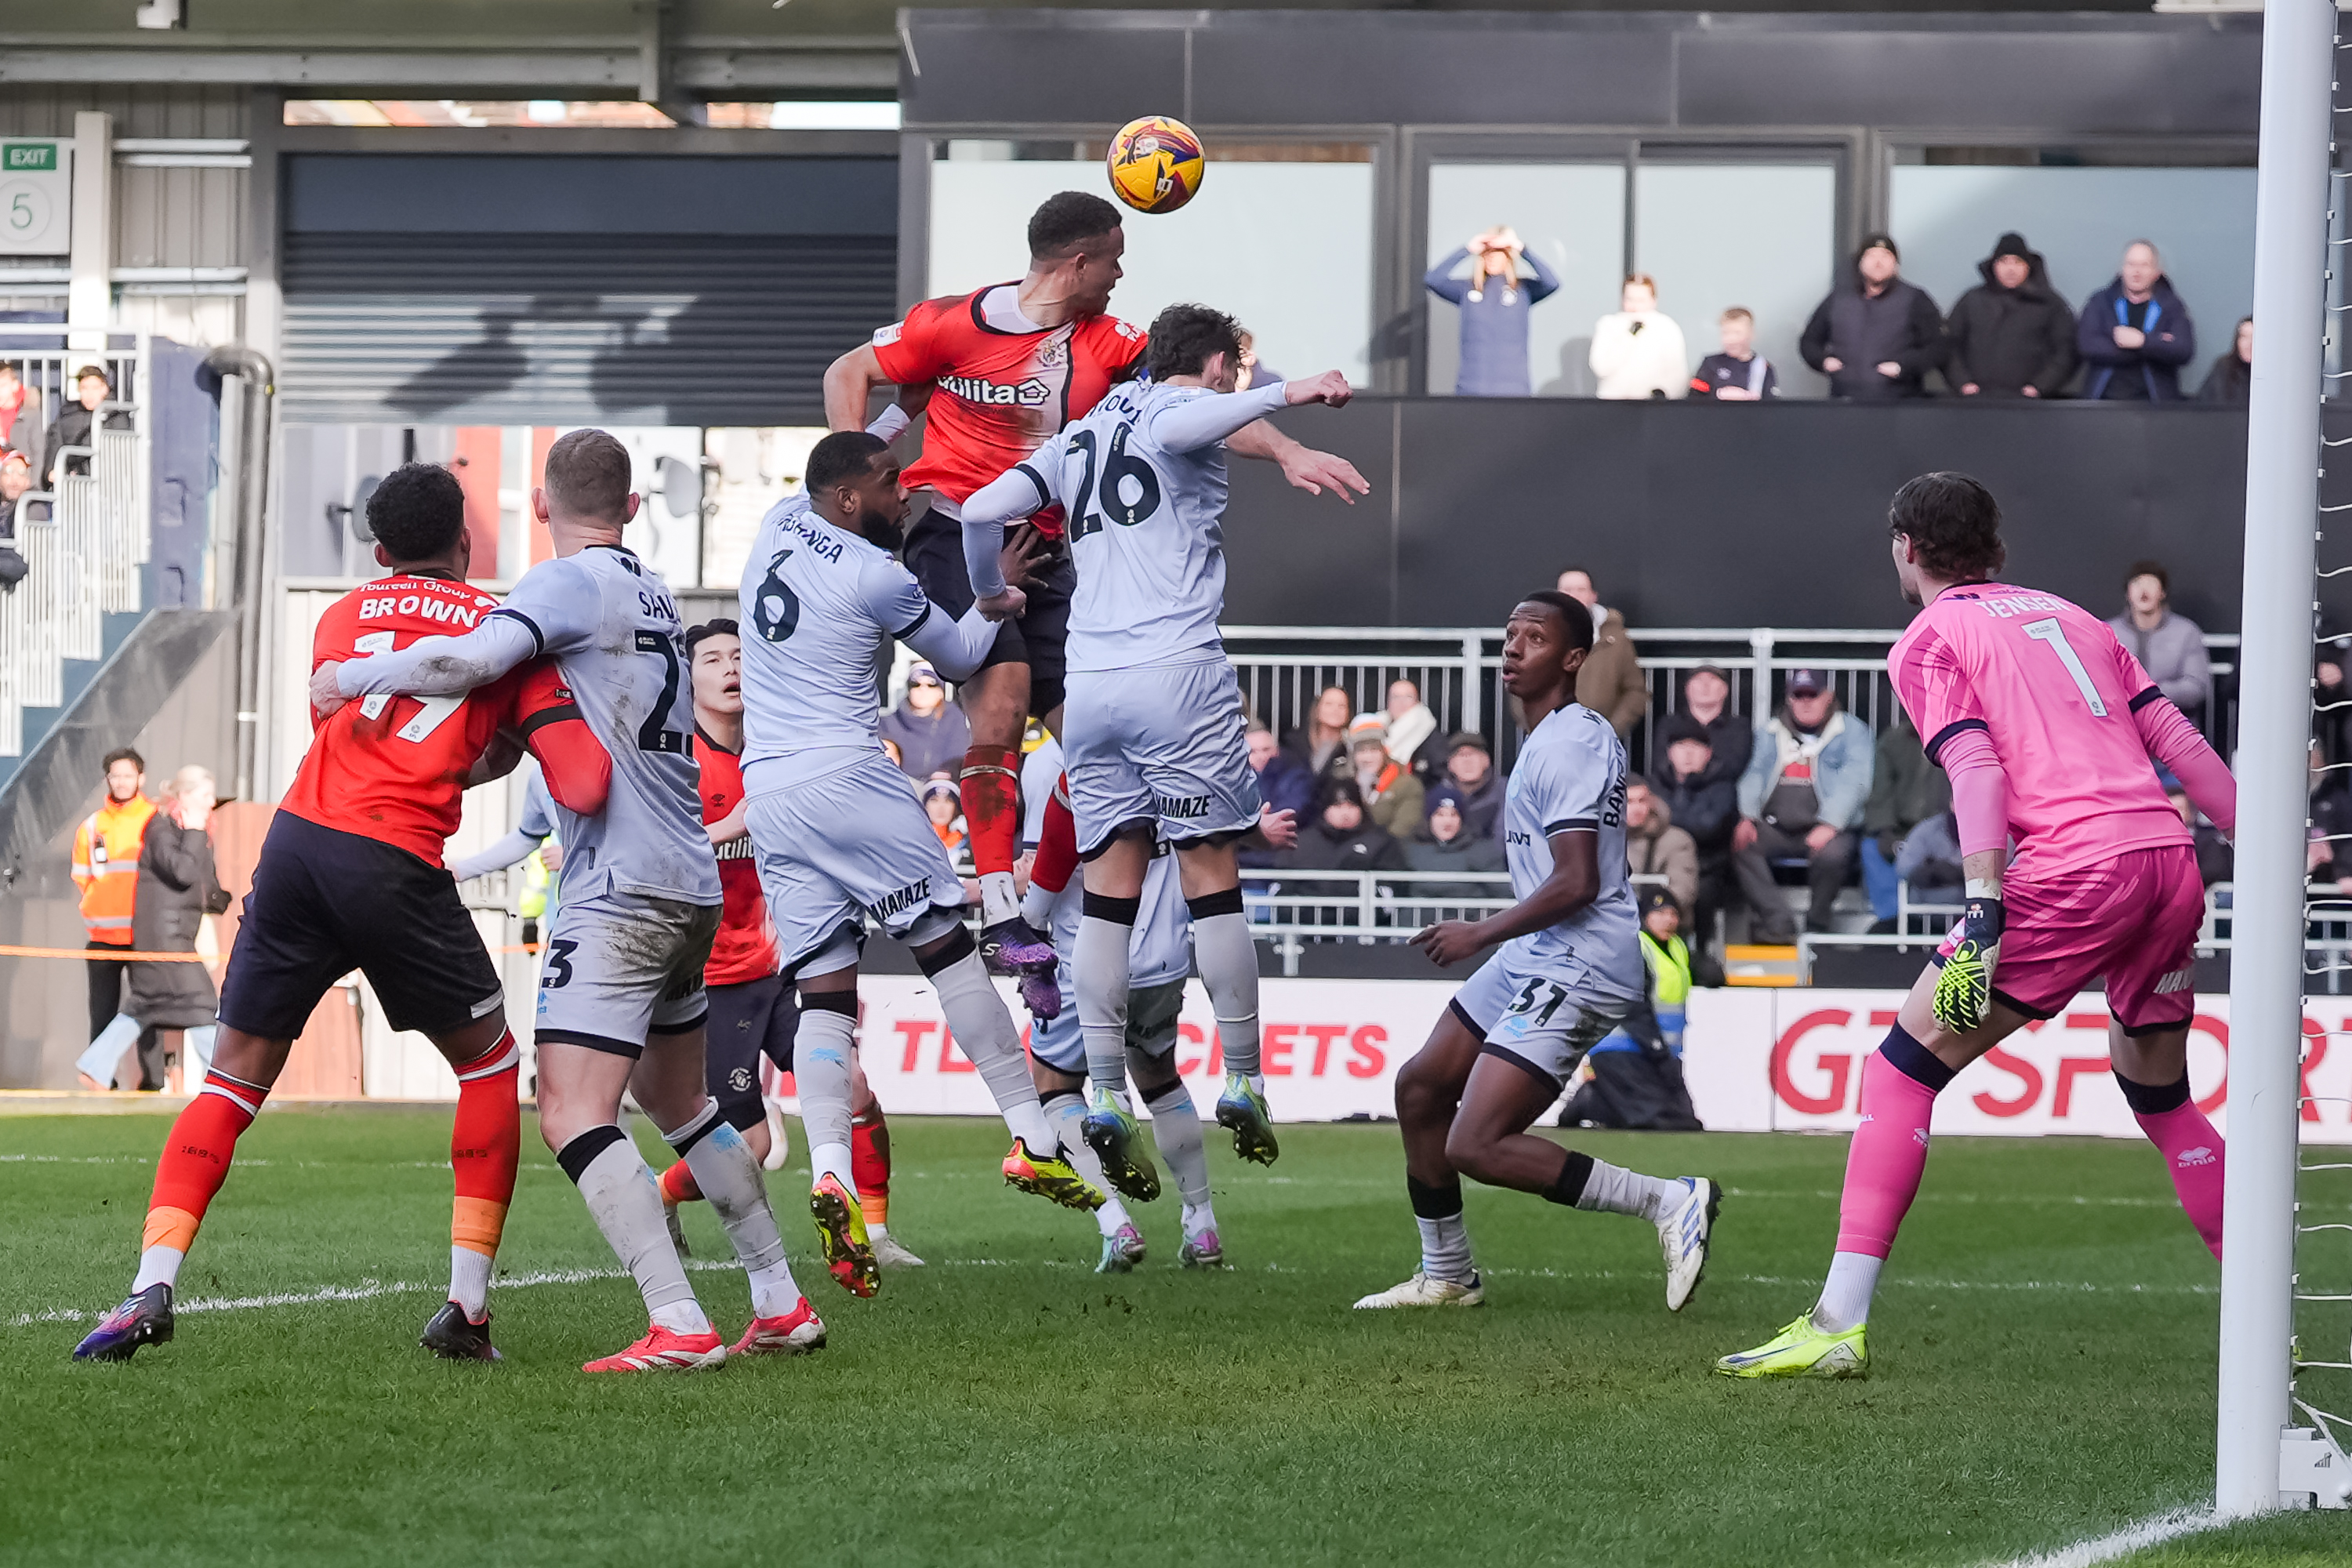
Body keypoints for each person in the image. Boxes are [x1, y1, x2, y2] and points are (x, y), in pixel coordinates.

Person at [74, 461, 615, 1365]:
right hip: (395, 855)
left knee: (231, 1082)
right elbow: (582, 777)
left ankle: (149, 1284)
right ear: (466, 542)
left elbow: (354, 728)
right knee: (489, 1065)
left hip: (296, 845)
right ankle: (467, 1307)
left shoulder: (342, 616)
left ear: (379, 550)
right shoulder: (506, 632)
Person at [1717, 471, 2238, 1380]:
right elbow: (2183, 745)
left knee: (1900, 1069)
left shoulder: (1928, 638)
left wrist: (1983, 904)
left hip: (2074, 869)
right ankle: (2269, 1320)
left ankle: (1837, 1322)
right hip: (2167, 858)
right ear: (1996, 547)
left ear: (1905, 547)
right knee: (2163, 1098)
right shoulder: (2079, 619)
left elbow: (1979, 771)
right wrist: (2269, 848)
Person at [314, 432, 814, 1374]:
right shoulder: (654, 589)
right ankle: (780, 1299)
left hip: (618, 888)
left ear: (541, 507)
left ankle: (678, 1319)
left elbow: (471, 660)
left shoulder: (564, 583)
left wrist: (352, 676)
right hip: (689, 879)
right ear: (633, 507)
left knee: (571, 1111)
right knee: (684, 1101)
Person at [823, 191, 1367, 984]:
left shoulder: (1112, 343)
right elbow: (849, 370)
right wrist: (854, 491)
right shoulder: (950, 323)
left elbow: (1200, 409)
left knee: (1090, 746)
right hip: (953, 530)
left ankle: (1039, 921)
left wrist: (1285, 450)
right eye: (1113, 260)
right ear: (1078, 263)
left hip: (1044, 546)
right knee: (1003, 696)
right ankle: (1002, 914)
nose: (1120, 275)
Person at [956, 303, 1359, 1195]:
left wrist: (990, 596)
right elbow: (1191, 420)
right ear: (1217, 366)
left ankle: (1103, 1090)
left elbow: (980, 508)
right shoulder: (1185, 406)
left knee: (1109, 896)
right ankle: (1245, 1076)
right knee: (1212, 874)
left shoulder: (1085, 430)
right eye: (1235, 374)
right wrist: (1295, 392)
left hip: (1091, 686)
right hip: (1175, 670)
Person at [736, 430, 1110, 1304]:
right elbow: (961, 657)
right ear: (847, 498)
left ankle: (831, 1170)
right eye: (887, 482)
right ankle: (1033, 1137)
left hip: (772, 792)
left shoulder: (776, 520)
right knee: (948, 952)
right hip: (847, 778)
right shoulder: (880, 575)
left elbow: (850, 451)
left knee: (824, 995)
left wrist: (906, 417)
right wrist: (994, 591)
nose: (903, 493)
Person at [1355, 590, 1717, 1312]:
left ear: (1575, 658)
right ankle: (1448, 1275)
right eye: (1511, 634)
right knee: (1421, 1088)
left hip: (1581, 960)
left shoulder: (1569, 743)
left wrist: (1479, 932)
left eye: (1536, 638)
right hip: (1542, 949)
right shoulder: (1558, 734)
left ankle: (1669, 1200)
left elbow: (1578, 882)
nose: (1514, 648)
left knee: (1476, 1143)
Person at [655, 619, 920, 1277]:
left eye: (740, 655)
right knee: (750, 1144)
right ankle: (660, 1194)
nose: (730, 667)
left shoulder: (775, 756)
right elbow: (660, 858)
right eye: (713, 658)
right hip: (712, 981)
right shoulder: (677, 763)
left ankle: (877, 1234)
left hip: (782, 967)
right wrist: (729, 827)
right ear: (689, 680)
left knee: (855, 1088)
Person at [1732, 667, 1872, 941]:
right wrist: (1747, 816)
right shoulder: (1770, 731)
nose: (1806, 702)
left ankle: (1817, 926)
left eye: (1813, 695)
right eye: (1799, 695)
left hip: (1828, 828)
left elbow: (1856, 781)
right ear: (1789, 699)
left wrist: (1830, 824)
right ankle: (1778, 921)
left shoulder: (1852, 731)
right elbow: (1753, 773)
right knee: (1740, 843)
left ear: (1828, 697)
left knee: (1833, 855)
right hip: (1775, 826)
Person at [1560, 887, 1704, 1132]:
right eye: (1660, 913)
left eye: (1673, 914)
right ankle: (1593, 1101)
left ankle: (1597, 1101)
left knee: (1685, 1120)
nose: (1668, 920)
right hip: (1622, 1051)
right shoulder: (1634, 949)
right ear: (1644, 917)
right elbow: (1634, 1009)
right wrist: (1657, 1049)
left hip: (1657, 1055)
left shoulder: (1677, 948)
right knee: (1658, 1121)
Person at [71, 747, 159, 1091]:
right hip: (103, 936)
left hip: (145, 936)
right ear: (107, 779)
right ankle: (102, 1081)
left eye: (128, 775)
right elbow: (82, 876)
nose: (121, 782)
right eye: (115, 776)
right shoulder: (93, 825)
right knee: (102, 1014)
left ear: (141, 778)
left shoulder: (155, 820)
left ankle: (153, 1082)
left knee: (150, 1012)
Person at [1798, 234, 1946, 401]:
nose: (1878, 262)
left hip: (1899, 404)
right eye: (1871, 255)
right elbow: (1809, 341)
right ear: (1860, 263)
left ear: (1896, 265)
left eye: (1886, 256)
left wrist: (1902, 367)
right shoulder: (1839, 299)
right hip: (1844, 402)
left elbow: (1937, 348)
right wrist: (1823, 361)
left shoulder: (1915, 299)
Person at [1424, 225, 1561, 397]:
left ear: (1509, 255)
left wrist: (1521, 249)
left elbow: (1552, 283)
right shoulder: (1467, 289)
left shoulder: (1523, 289)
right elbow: (1433, 280)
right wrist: (1468, 249)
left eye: (1499, 251)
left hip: (1514, 392)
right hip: (1471, 390)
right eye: (1487, 251)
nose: (1492, 257)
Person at [1944, 231, 2077, 400]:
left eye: (2018, 262)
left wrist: (2040, 387)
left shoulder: (2050, 304)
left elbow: (2065, 351)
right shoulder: (1971, 301)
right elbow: (1949, 346)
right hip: (1975, 402)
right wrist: (1962, 383)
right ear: (1993, 265)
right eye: (2004, 261)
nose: (2011, 269)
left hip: (2032, 405)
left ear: (2028, 266)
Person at [1860, 710, 1953, 933]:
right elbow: (1880, 791)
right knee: (1871, 847)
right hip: (1898, 829)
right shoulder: (1894, 740)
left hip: (1943, 830)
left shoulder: (1959, 742)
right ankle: (1891, 921)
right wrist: (1884, 829)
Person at [1655, 714, 1738, 958]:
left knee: (1703, 891)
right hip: (1661, 866)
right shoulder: (1655, 783)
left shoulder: (1723, 786)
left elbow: (1709, 827)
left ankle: (1700, 954)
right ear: (1670, 752)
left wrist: (1668, 819)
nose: (1688, 753)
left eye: (1696, 747)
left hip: (1708, 867)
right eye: (1681, 746)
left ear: (1708, 753)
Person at [2078, 241, 2196, 402]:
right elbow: (2088, 345)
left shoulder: (2172, 306)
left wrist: (2142, 342)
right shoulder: (2100, 301)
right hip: (2103, 401)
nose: (2136, 272)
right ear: (2121, 270)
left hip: (2155, 405)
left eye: (2144, 265)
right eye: (2131, 264)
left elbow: (2183, 350)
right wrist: (2155, 346)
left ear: (2157, 273)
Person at [2107, 560, 2212, 725]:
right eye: (2137, 583)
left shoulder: (2186, 632)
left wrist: (2149, 694)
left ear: (2163, 592)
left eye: (2151, 583)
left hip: (2172, 725)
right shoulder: (2109, 632)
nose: (2144, 590)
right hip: (2121, 726)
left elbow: (2196, 687)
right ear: (2127, 593)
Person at [1555, 567, 1647, 740]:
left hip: (1600, 742)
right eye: (1567, 590)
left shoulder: (1617, 639)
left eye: (1581, 589)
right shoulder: (1539, 635)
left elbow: (1635, 691)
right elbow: (1521, 687)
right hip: (1550, 739)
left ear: (1593, 596)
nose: (1574, 595)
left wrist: (1610, 730)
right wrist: (1539, 727)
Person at [1589, 274, 1689, 401]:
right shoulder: (1608, 325)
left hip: (1652, 406)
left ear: (1653, 301)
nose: (1635, 306)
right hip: (1612, 403)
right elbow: (1601, 368)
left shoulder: (1667, 327)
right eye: (1629, 299)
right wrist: (1628, 338)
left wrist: (1662, 398)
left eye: (1641, 300)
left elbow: (1678, 374)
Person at [1405, 788, 1509, 900]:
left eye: (1454, 815)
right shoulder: (1411, 851)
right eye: (1440, 815)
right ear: (1429, 819)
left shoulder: (1481, 851)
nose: (1447, 822)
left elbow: (1503, 893)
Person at [1623, 773, 1697, 930]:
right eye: (1629, 802)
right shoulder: (1601, 841)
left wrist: (1655, 911)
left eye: (1642, 801)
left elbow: (1683, 890)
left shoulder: (1677, 840)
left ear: (1652, 803)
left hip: (1663, 926)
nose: (1636, 809)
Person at [876, 662, 969, 782]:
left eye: (931, 684)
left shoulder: (955, 719)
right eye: (916, 684)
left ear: (941, 692)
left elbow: (958, 756)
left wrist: (946, 774)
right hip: (902, 784)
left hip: (943, 785)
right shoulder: (888, 724)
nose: (923, 689)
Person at [44, 364, 129, 484]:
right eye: (84, 388)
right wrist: (51, 471)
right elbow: (55, 446)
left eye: (95, 388)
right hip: (71, 483)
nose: (89, 394)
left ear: (105, 389)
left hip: (107, 483)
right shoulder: (67, 415)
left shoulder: (115, 416)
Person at [1346, 712, 1426, 837]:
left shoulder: (1407, 785)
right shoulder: (1342, 781)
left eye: (1374, 750)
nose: (1368, 757)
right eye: (1361, 751)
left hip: (1387, 846)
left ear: (1384, 752)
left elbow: (1403, 828)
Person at [1677, 662, 1751, 784]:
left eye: (1713, 679)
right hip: (1675, 792)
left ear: (1725, 689)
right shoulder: (1670, 724)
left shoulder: (1739, 726)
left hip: (1721, 792)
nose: (1705, 686)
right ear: (1687, 688)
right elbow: (1662, 765)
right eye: (1698, 679)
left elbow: (1734, 766)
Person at [1689, 307, 1778, 401]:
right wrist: (1718, 395)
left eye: (1737, 333)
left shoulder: (1763, 367)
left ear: (1751, 334)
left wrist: (1745, 397)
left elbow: (1771, 404)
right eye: (1725, 333)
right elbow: (1693, 399)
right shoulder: (1710, 364)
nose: (1731, 339)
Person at [1437, 731, 1504, 840]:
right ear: (1450, 765)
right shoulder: (1438, 796)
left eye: (1473, 754)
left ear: (1486, 761)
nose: (1467, 761)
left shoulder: (1505, 792)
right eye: (1461, 755)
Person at [1247, 721, 1315, 823]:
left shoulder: (1297, 776)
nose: (1261, 757)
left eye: (1266, 750)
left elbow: (1288, 812)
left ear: (1277, 751)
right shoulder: (1230, 778)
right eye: (1252, 751)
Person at [1383, 676, 1447, 781]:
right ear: (1388, 703)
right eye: (1396, 697)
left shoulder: (1431, 735)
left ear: (1417, 702)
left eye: (1408, 697)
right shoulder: (1378, 729)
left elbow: (1441, 775)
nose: (1401, 702)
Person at [1290, 684, 1353, 776]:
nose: (1335, 710)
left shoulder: (1351, 747)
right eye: (1329, 704)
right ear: (1317, 709)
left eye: (1342, 706)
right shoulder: (1294, 744)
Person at [2198, 316, 2252, 405]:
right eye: (2243, 337)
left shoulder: (2271, 373)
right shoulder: (2224, 367)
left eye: (2253, 338)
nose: (2249, 344)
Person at [0, 358, 41, 456]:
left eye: (3, 385)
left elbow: (38, 452)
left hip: (22, 464)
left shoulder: (29, 414)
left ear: (15, 385)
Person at [920, 775, 966, 851]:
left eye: (948, 801)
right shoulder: (916, 841)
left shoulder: (967, 845)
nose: (941, 807)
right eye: (934, 800)